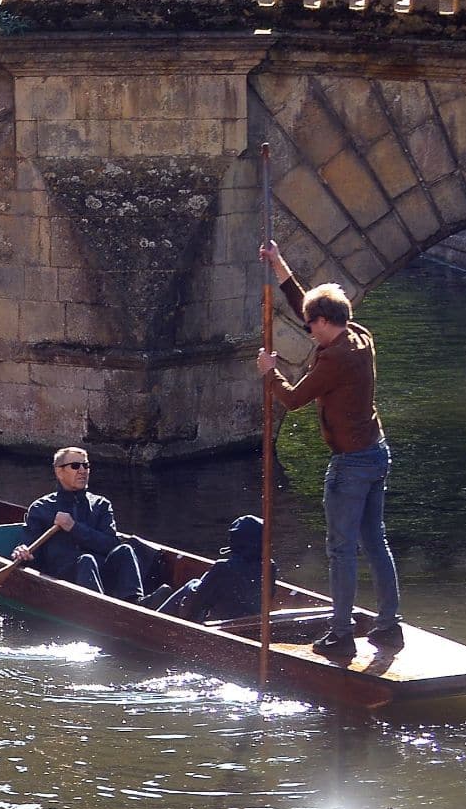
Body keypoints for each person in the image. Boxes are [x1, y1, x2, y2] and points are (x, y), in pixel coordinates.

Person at [256, 241, 399, 656]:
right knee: (375, 540)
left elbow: (293, 398)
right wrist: (280, 266)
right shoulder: (357, 334)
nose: (307, 329)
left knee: (340, 549)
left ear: (322, 323)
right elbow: (310, 306)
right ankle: (390, 627)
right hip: (376, 452)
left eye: (310, 324)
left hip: (351, 465)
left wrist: (271, 373)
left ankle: (340, 635)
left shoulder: (336, 360)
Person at [12, 447, 147, 603]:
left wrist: (74, 527)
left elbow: (111, 544)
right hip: (63, 576)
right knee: (86, 560)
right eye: (75, 466)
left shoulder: (101, 504)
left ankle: (136, 603)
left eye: (86, 465)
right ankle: (101, 610)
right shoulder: (41, 508)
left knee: (125, 550)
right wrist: (22, 552)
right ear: (59, 472)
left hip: (100, 571)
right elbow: (30, 548)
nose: (83, 470)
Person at [157, 515, 272, 623]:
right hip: (251, 627)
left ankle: (153, 621)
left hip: (219, 628)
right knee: (197, 586)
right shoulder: (270, 567)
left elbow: (189, 610)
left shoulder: (223, 568)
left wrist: (195, 587)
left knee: (192, 585)